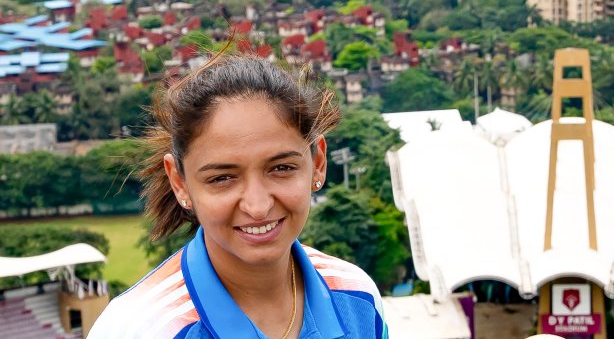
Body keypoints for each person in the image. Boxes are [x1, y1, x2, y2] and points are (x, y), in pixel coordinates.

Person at [89, 54, 389, 338]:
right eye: (222, 178)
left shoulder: (356, 297)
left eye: (281, 168)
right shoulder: (140, 329)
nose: (257, 206)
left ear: (318, 163)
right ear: (179, 182)